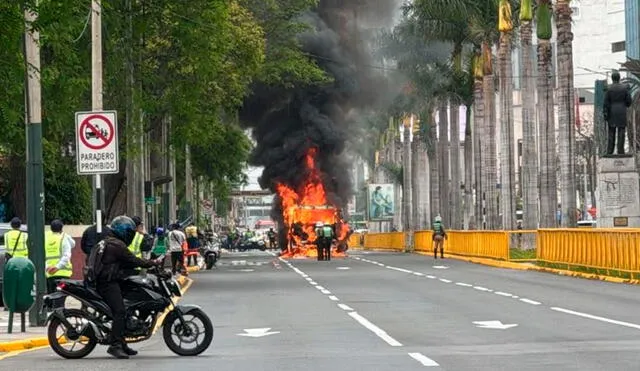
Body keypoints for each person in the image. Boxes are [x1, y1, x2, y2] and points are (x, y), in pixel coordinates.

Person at [93, 215, 161, 359]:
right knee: (120, 311)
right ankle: (115, 345)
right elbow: (132, 259)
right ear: (124, 232)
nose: (131, 236)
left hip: (110, 279)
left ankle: (122, 342)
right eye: (130, 233)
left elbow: (123, 262)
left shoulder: (108, 241)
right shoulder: (117, 245)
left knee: (128, 306)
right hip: (107, 283)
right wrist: (152, 263)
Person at [44, 219, 74, 308]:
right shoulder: (64, 237)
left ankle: (51, 315)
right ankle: (59, 317)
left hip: (50, 273)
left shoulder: (46, 237)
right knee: (60, 297)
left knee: (51, 296)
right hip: (63, 273)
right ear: (62, 228)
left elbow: (42, 254)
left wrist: (48, 267)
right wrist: (57, 267)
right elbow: (68, 253)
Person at [604, 70, 632, 155]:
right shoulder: (625, 88)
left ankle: (610, 151)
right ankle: (621, 151)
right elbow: (629, 101)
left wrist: (605, 113)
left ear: (612, 79)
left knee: (611, 132)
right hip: (622, 112)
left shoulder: (608, 88)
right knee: (621, 132)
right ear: (619, 78)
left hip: (612, 111)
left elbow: (606, 103)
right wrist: (625, 104)